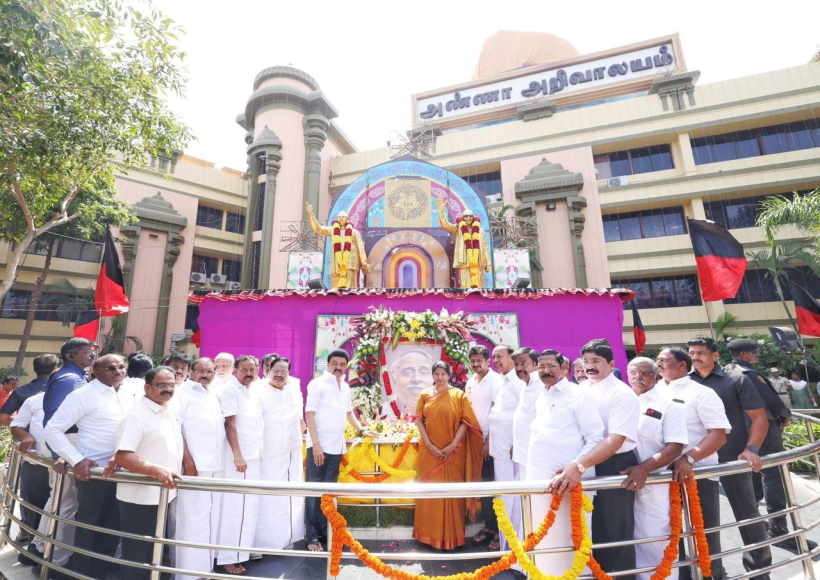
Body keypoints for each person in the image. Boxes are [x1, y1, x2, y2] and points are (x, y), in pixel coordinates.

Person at [43, 354, 136, 578]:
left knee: (113, 525)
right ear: (95, 371)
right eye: (111, 368)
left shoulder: (131, 392)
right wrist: (76, 459)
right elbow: (52, 430)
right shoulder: (82, 395)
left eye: (121, 367)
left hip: (123, 473)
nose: (118, 371)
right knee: (90, 524)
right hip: (93, 473)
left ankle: (102, 572)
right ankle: (82, 572)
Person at [687, 336, 772, 578]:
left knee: (749, 518)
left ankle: (760, 572)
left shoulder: (736, 379)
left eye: (701, 352)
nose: (695, 357)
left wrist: (752, 449)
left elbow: (759, 418)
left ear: (715, 355)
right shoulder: (683, 383)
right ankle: (713, 572)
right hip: (701, 463)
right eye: (692, 353)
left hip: (732, 460)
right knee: (705, 523)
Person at [568, 339, 640, 579]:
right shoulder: (581, 389)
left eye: (596, 361)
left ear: (611, 364)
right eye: (586, 361)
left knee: (616, 530)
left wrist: (581, 464)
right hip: (586, 462)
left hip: (614, 465)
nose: (590, 366)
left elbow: (616, 440)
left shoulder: (622, 393)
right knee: (592, 528)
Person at [656, 347, 730, 580]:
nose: (658, 365)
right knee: (669, 536)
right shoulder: (653, 391)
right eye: (656, 360)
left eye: (664, 361)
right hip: (660, 478)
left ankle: (712, 576)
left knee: (703, 535)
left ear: (682, 366)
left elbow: (718, 435)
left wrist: (688, 459)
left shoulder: (701, 393)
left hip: (696, 475)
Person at [726, 338, 805, 552]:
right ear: (743, 354)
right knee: (775, 476)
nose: (756, 355)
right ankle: (778, 530)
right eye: (753, 352)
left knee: (752, 477)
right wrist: (785, 415)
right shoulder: (749, 374)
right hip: (764, 429)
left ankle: (757, 523)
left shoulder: (726, 371)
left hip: (741, 431)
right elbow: (772, 402)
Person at [530, 349, 604, 574]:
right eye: (541, 366)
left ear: (565, 368)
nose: (545, 371)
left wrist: (576, 467)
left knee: (575, 541)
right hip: (541, 482)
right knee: (545, 540)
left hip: (570, 483)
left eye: (551, 366)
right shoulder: (541, 393)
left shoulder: (577, 394)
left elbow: (595, 437)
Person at [109, 366, 183, 580]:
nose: (168, 389)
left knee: (157, 551)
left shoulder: (168, 409)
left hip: (163, 495)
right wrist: (156, 470)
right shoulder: (136, 415)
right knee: (138, 555)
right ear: (148, 387)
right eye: (162, 385)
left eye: (171, 384)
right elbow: (124, 456)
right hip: (139, 498)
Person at [624, 357, 688, 580]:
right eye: (633, 372)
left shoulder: (669, 403)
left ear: (657, 375)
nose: (638, 377)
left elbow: (675, 446)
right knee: (625, 537)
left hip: (655, 481)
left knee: (656, 538)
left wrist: (644, 469)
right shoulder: (623, 400)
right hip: (621, 481)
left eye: (644, 373)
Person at [304, 349, 370, 552]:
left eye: (342, 364)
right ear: (328, 364)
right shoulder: (317, 384)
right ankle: (312, 537)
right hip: (319, 447)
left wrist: (361, 429)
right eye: (335, 364)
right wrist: (316, 445)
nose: (338, 368)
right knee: (315, 492)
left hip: (336, 447)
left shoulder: (346, 387)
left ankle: (326, 532)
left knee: (329, 493)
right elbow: (310, 414)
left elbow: (349, 412)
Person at [413, 361, 484, 550]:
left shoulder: (459, 395)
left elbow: (466, 423)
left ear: (449, 375)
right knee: (431, 493)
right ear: (432, 375)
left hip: (454, 454)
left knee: (452, 493)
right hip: (429, 453)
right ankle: (427, 536)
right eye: (436, 373)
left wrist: (452, 446)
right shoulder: (425, 395)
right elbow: (419, 421)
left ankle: (452, 538)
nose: (439, 377)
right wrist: (429, 444)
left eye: (443, 373)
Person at [173, 357, 226, 580]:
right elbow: (177, 428)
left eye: (209, 371)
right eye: (201, 370)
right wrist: (188, 461)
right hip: (193, 466)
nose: (205, 374)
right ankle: (186, 573)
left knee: (207, 518)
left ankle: (203, 569)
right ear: (191, 372)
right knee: (190, 518)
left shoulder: (212, 393)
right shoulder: (183, 392)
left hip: (214, 466)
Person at [215, 355, 264, 574]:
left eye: (253, 369)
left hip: (253, 456)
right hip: (237, 459)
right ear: (235, 370)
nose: (249, 373)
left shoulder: (253, 391)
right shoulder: (229, 390)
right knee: (234, 508)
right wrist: (237, 455)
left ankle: (242, 552)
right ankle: (227, 557)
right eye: (245, 369)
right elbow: (230, 425)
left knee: (249, 506)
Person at [256, 357, 305, 549]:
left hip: (290, 452)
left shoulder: (291, 390)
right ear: (268, 370)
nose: (279, 375)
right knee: (269, 497)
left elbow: (298, 420)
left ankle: (286, 539)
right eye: (275, 371)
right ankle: (264, 543)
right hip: (268, 454)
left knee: (289, 495)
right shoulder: (259, 391)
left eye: (284, 372)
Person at [486, 345, 525, 551]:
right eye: (494, 358)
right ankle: (505, 548)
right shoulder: (499, 381)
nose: (496, 361)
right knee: (503, 499)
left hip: (512, 452)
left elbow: (524, 416)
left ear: (511, 357)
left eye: (500, 356)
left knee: (514, 501)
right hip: (499, 451)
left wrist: (515, 443)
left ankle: (515, 549)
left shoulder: (519, 382)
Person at [464, 344, 501, 546]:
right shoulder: (471, 381)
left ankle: (498, 531)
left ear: (487, 361)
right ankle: (488, 526)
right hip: (474, 442)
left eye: (480, 360)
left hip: (490, 443)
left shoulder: (495, 381)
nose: (476, 364)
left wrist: (488, 441)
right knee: (483, 486)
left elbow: (496, 412)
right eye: (473, 361)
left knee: (492, 485)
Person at [10, 390, 52, 563]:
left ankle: (50, 552)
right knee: (35, 508)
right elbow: (15, 425)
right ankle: (33, 551)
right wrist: (25, 436)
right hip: (38, 465)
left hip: (67, 469)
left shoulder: (81, 398)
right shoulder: (34, 399)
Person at [305, 202, 369, 288]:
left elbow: (361, 248)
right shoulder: (332, 230)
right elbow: (318, 228)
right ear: (337, 219)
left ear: (347, 219)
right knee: (336, 291)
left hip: (350, 263)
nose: (342, 219)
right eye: (340, 217)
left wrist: (364, 262)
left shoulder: (355, 232)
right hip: (336, 265)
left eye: (344, 217)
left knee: (350, 291)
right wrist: (311, 214)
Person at [436, 198, 491, 288]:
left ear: (473, 217)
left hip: (477, 262)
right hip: (464, 262)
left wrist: (487, 263)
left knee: (479, 287)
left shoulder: (480, 231)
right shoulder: (459, 229)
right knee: (465, 287)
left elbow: (484, 247)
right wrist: (441, 209)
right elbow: (445, 225)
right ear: (463, 218)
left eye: (470, 216)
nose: (468, 218)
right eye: (466, 216)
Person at [42, 337, 96, 425]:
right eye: (87, 352)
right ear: (70, 356)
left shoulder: (78, 375)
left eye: (92, 352)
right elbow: (57, 415)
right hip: (67, 434)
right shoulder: (69, 379)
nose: (92, 355)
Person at [2, 354, 59, 425]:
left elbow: (3, 418)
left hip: (27, 434)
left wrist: (26, 425)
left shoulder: (20, 392)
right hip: (58, 434)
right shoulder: (65, 390)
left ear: (34, 369)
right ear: (55, 370)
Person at [512, 348, 540, 477]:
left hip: (536, 452)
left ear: (536, 364)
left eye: (523, 363)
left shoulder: (541, 385)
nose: (519, 368)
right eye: (516, 364)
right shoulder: (525, 384)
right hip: (523, 450)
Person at [387, 345, 434, 416]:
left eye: (423, 372)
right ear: (395, 377)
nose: (416, 379)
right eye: (407, 373)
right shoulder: (382, 412)